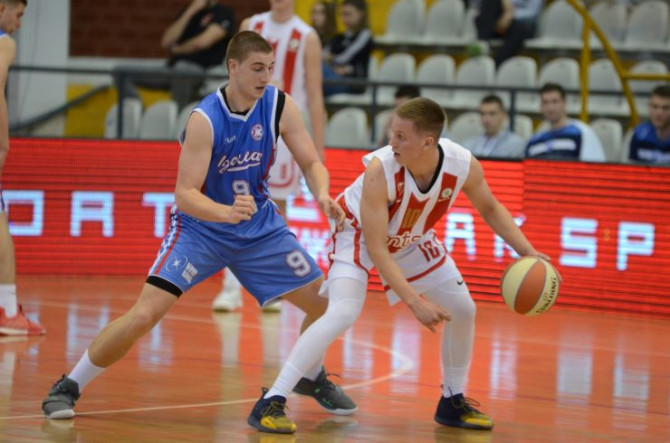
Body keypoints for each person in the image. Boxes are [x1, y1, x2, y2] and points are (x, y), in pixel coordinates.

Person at [42, 31, 355, 421]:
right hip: (201, 230)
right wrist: (225, 213)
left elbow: (311, 162)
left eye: (270, 68)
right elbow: (185, 194)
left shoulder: (278, 105)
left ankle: (310, 375)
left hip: (258, 229)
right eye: (257, 68)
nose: (265, 77)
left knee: (326, 305)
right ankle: (69, 385)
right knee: (145, 314)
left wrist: (322, 193)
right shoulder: (204, 119)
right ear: (233, 67)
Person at [249, 97, 552, 434]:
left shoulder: (461, 164)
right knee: (343, 311)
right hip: (358, 233)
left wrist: (528, 252)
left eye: (401, 137)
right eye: (393, 133)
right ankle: (272, 400)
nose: (391, 142)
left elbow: (491, 208)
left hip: (411, 236)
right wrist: (414, 302)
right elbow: (377, 247)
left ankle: (452, 401)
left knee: (463, 309)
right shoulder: (380, 169)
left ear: (428, 142)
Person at [213, 0, 327, 312]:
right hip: (242, 130)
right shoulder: (251, 25)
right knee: (235, 206)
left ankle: (274, 289)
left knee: (275, 212)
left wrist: (318, 147)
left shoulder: (307, 36)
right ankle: (230, 289)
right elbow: (231, 79)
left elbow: (315, 95)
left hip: (282, 134)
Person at [0, 0, 44, 336]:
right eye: (19, 14)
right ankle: (7, 310)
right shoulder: (4, 43)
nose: (19, 23)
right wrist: (3, 141)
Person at [114, 0, 235, 110]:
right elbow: (166, 42)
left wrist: (177, 50)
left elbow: (203, 42)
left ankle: (178, 118)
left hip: (201, 70)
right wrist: (190, 11)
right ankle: (137, 113)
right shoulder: (189, 11)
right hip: (172, 68)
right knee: (121, 72)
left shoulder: (223, 14)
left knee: (182, 70)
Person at [526, 83, 606, 162]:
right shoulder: (535, 140)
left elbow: (594, 166)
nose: (550, 108)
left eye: (555, 102)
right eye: (545, 103)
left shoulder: (581, 133)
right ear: (540, 107)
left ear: (565, 104)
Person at [322, 0, 373, 96]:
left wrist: (331, 60)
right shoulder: (339, 37)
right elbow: (323, 55)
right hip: (335, 78)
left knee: (320, 69)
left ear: (361, 14)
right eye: (342, 15)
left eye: (348, 14)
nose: (344, 18)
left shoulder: (365, 35)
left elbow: (343, 58)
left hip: (354, 83)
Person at [471, 0, 544, 66]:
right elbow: (475, 5)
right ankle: (482, 46)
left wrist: (510, 14)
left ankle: (496, 64)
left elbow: (532, 12)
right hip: (499, 22)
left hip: (521, 23)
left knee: (521, 29)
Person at [627, 84, 670, 164]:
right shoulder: (639, 135)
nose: (659, 113)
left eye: (665, 108)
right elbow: (632, 167)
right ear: (649, 107)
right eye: (655, 107)